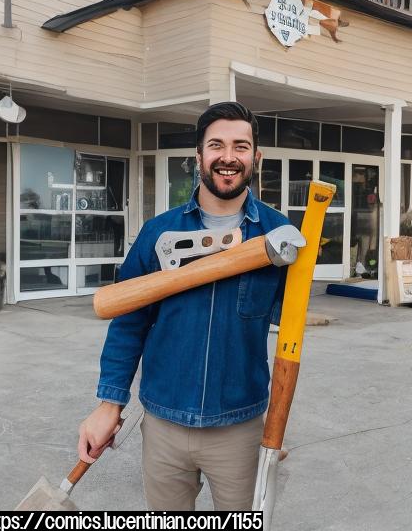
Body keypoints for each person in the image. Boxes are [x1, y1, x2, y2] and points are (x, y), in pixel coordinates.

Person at [77, 102, 291, 510]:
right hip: (163, 422)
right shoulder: (158, 233)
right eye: (217, 145)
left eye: (240, 146)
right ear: (199, 157)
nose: (228, 157)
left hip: (240, 426)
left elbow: (289, 324)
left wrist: (275, 431)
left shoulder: (279, 235)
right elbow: (129, 323)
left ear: (256, 157)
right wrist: (109, 404)